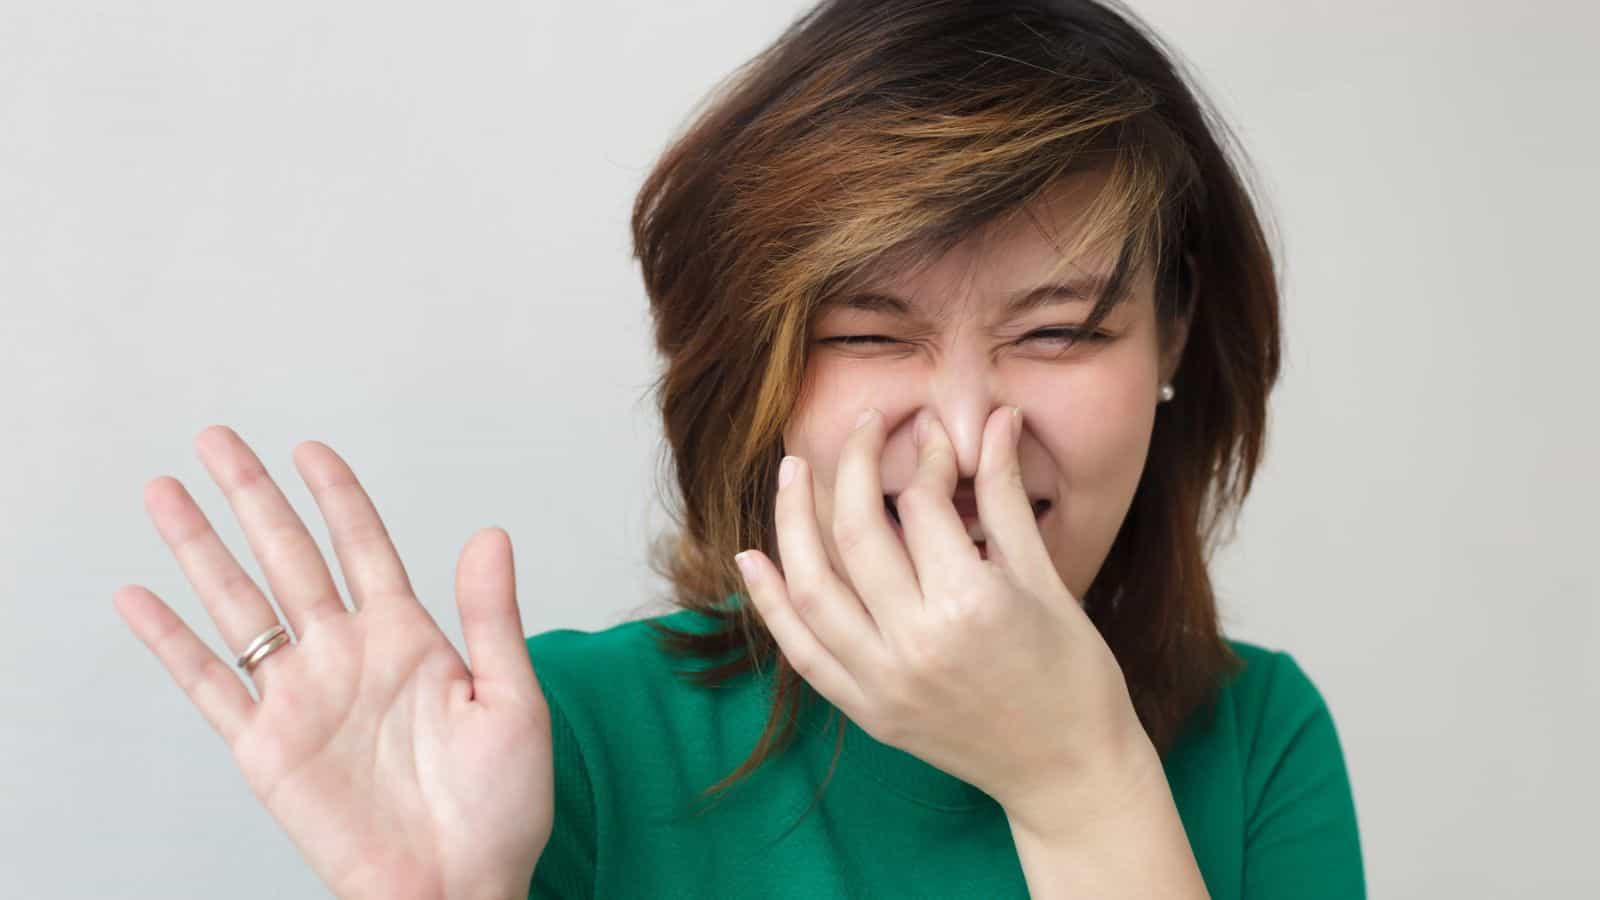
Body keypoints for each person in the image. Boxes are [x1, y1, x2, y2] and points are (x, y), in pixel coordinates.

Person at [114, 0, 1365, 897]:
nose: (972, 427)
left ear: (1174, 339)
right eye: (869, 334)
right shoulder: (554, 740)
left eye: (1059, 331)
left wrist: (1083, 785)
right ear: (751, 369)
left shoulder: (1257, 738)